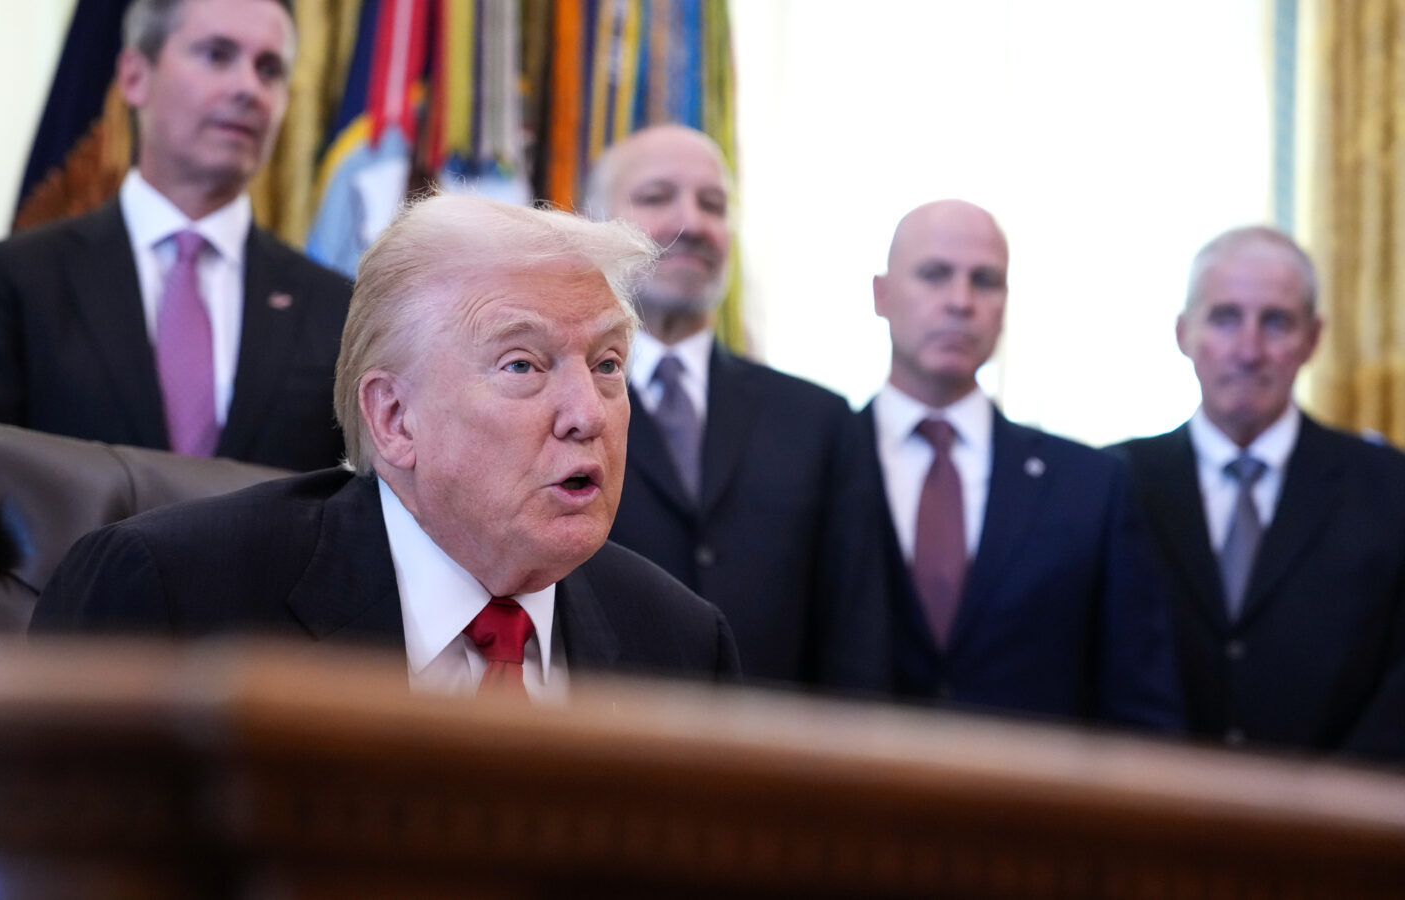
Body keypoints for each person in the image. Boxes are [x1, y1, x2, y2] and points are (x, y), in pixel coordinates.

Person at [32, 194, 741, 697]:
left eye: (607, 365)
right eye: (522, 365)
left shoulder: (681, 647)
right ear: (395, 418)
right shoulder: (170, 600)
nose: (587, 413)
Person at [0, 0, 351, 471]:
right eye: (217, 55)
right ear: (135, 76)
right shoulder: (11, 285)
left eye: (269, 68)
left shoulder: (336, 308)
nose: (247, 88)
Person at [826, 199, 1182, 729]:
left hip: (1038, 804)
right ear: (881, 294)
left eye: (985, 281)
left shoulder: (1091, 487)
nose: (960, 301)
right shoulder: (816, 465)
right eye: (934, 275)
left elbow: (1140, 705)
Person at [582, 125, 878, 689]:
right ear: (596, 224)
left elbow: (855, 637)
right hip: (602, 751)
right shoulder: (550, 409)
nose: (690, 223)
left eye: (713, 204)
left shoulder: (822, 422)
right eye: (656, 197)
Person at [1113, 227, 1405, 761]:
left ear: (1313, 339)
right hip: (1148, 819)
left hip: (1342, 827)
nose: (1249, 351)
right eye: (1225, 319)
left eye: (1276, 322)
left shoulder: (1389, 489)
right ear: (1184, 333)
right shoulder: (1111, 482)